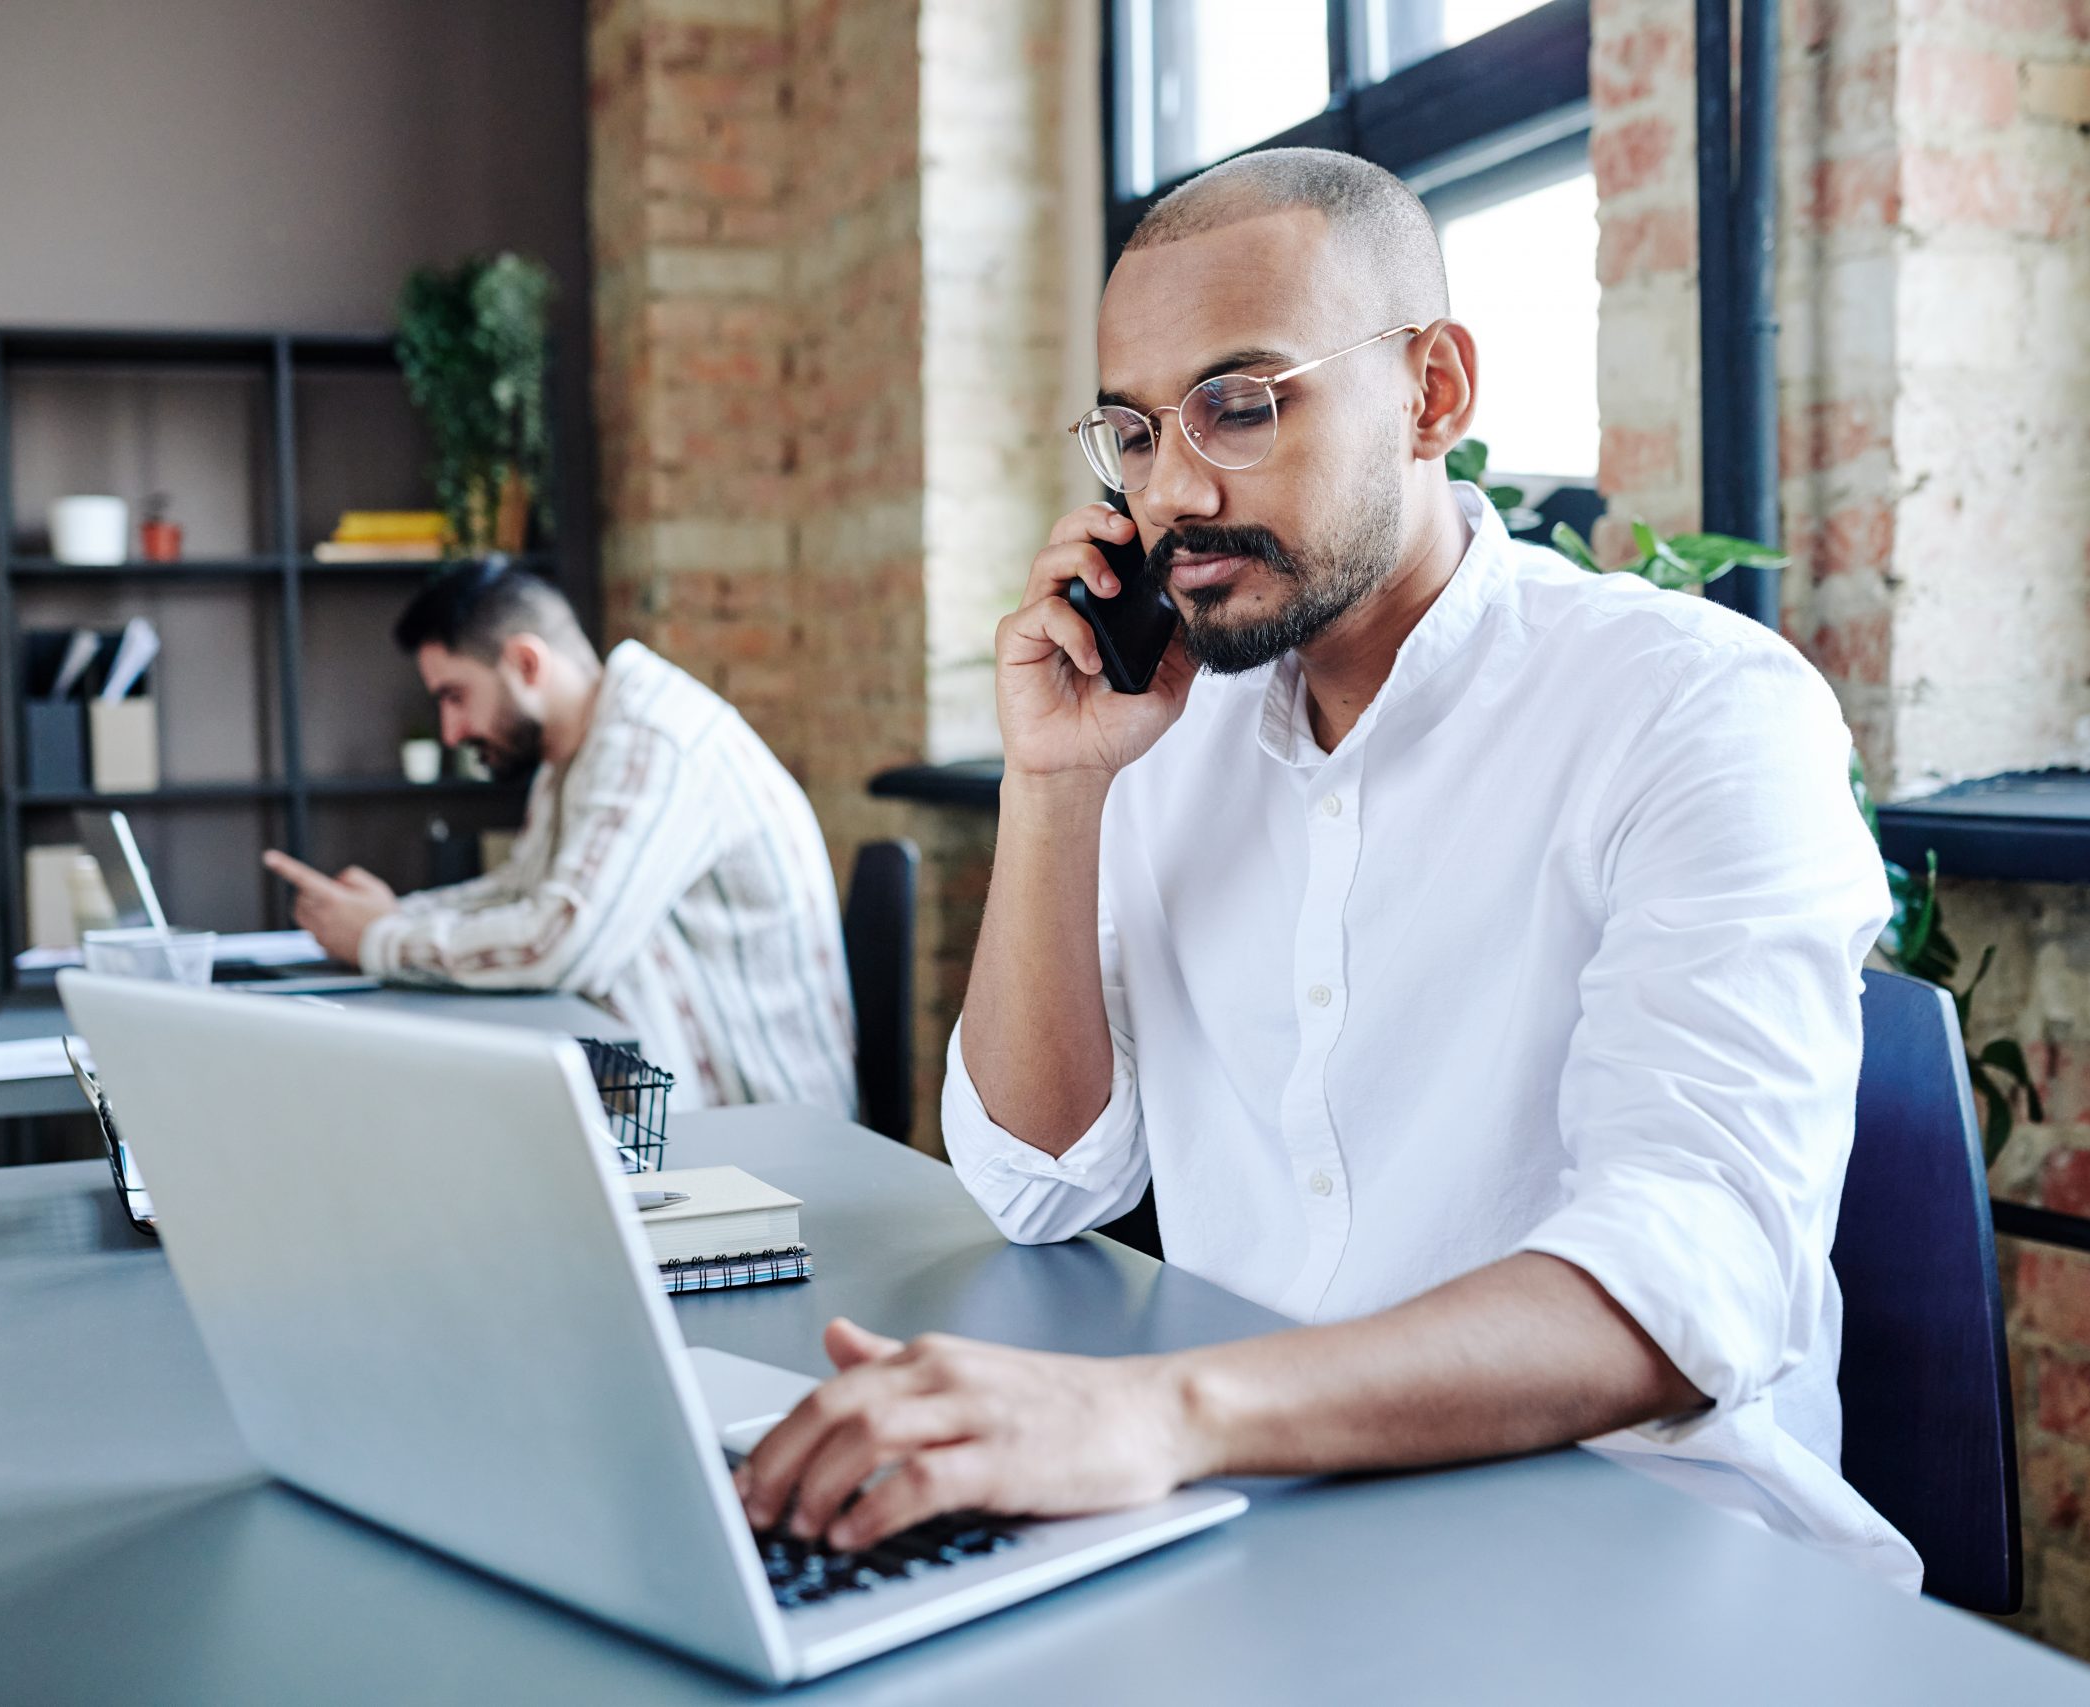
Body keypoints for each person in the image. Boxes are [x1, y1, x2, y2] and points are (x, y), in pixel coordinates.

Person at [731, 147, 1918, 1589]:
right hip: (1269, 1515)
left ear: (1433, 393)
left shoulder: (1695, 707)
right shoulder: (1172, 723)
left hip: (1636, 1563)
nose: (1176, 489)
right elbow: (1036, 1181)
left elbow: (1690, 1276)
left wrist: (1167, 1410)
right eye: (1135, 432)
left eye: (1239, 404)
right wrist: (1054, 784)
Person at [261, 563, 856, 1116]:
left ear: (525, 663)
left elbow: (561, 940)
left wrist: (378, 939)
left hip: (764, 1131)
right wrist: (387, 915)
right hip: (676, 1110)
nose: (450, 731)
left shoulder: (652, 742)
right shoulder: (573, 755)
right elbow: (524, 892)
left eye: (455, 696)